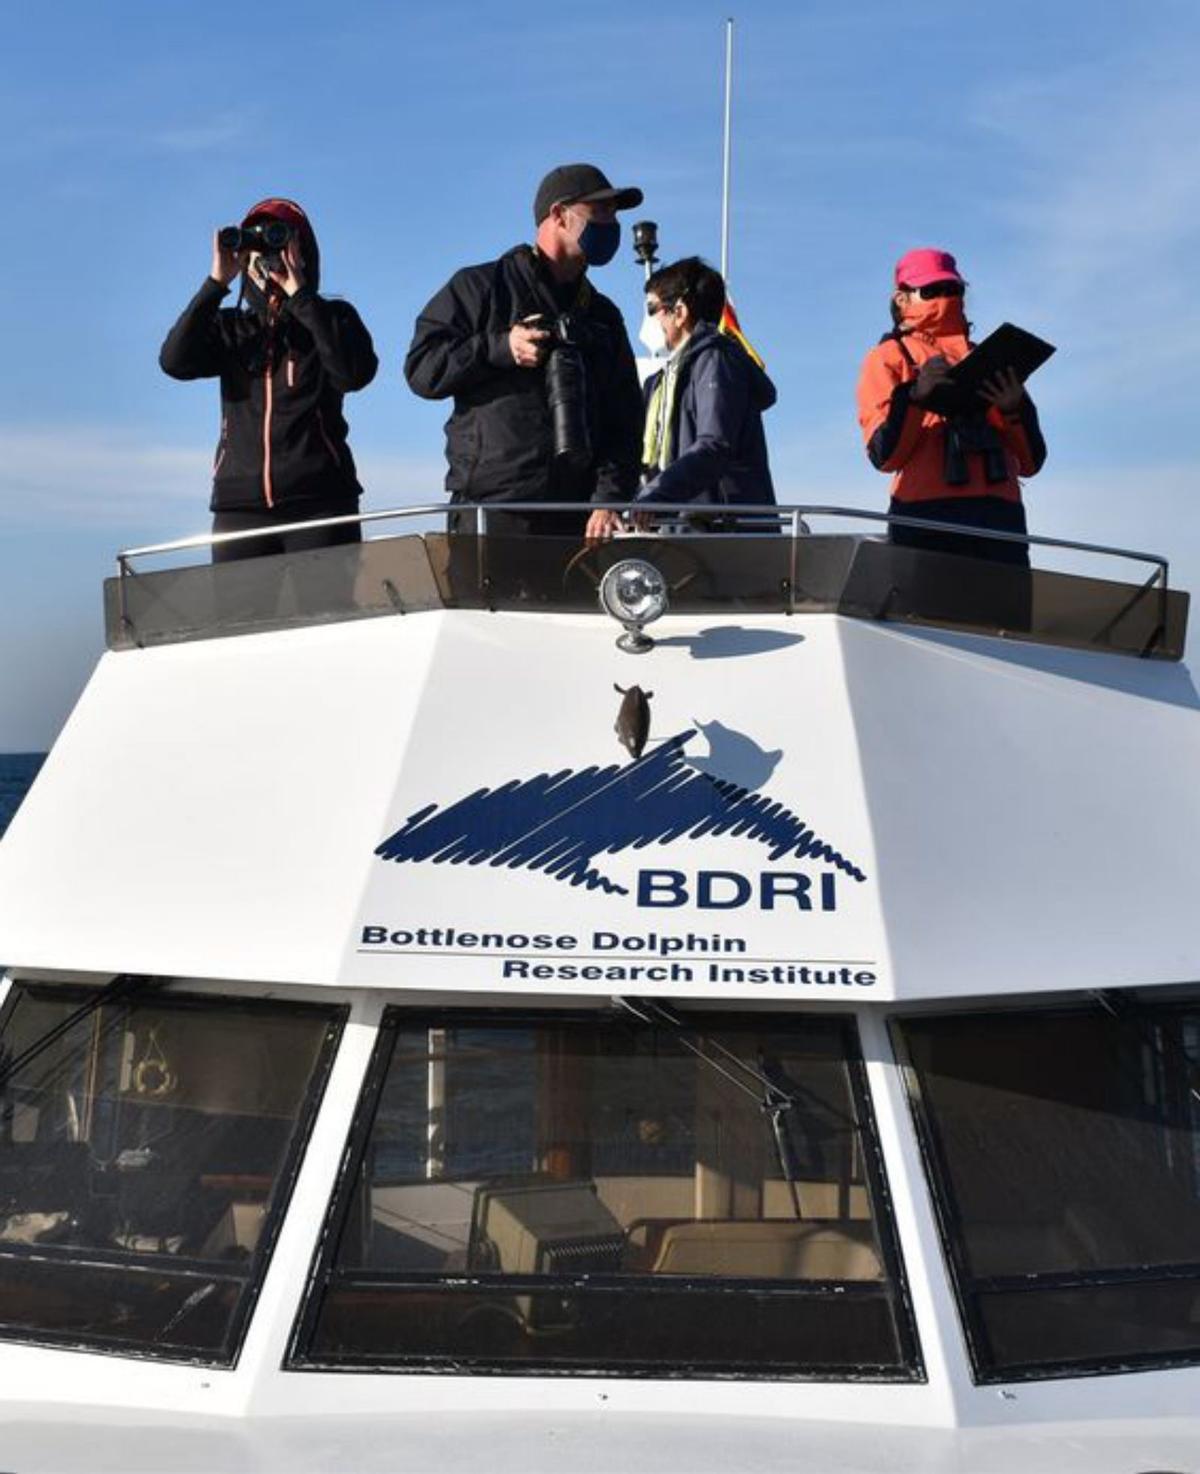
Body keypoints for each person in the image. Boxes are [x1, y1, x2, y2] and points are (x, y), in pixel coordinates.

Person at [404, 163, 644, 540]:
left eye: (614, 214)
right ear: (559, 215)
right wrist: (499, 347)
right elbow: (422, 370)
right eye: (600, 212)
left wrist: (609, 498)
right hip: (492, 512)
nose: (611, 225)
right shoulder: (479, 287)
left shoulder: (603, 316)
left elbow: (626, 419)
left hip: (579, 519)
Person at [160, 198, 378, 563]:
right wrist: (215, 283)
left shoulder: (333, 317)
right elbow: (174, 361)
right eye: (254, 245)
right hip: (240, 506)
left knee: (329, 619)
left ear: (302, 251)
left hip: (319, 501)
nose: (267, 254)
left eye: (279, 240)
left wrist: (303, 297)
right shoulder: (232, 328)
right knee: (239, 621)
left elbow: (353, 374)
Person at [856, 247, 1046, 566]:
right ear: (901, 299)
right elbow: (883, 455)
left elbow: (1032, 462)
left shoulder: (992, 358)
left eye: (953, 289)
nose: (945, 298)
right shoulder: (887, 356)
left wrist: (1012, 410)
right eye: (932, 290)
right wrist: (916, 397)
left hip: (1001, 521)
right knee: (922, 616)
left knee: (1002, 616)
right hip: (927, 518)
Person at [613, 256, 775, 533]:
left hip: (724, 534)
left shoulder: (717, 360)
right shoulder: (659, 382)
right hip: (680, 531)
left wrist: (656, 495)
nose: (648, 320)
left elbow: (714, 445)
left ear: (679, 312)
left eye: (652, 309)